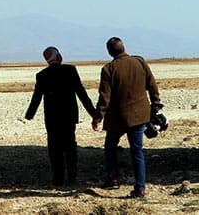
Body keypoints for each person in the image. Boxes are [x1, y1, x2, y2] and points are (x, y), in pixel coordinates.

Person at [92, 37, 160, 198]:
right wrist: (156, 104)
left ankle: (113, 178)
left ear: (109, 52)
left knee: (110, 147)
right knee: (137, 152)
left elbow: (104, 98)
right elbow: (152, 84)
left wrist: (97, 118)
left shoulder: (109, 69)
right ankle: (140, 188)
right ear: (124, 47)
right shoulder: (139, 61)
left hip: (119, 118)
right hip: (140, 116)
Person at [24, 46, 98, 187]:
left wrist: (29, 115)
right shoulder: (70, 70)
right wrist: (94, 114)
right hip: (68, 116)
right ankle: (72, 177)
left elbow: (36, 98)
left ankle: (58, 178)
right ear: (59, 57)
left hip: (52, 118)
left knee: (54, 148)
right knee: (70, 146)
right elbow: (82, 94)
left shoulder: (42, 75)